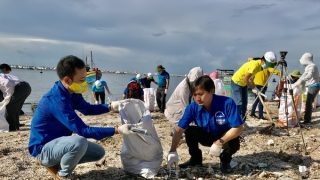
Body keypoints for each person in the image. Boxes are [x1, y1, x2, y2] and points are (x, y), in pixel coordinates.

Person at [28, 55, 133, 179]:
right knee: (79, 142)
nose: (85, 83)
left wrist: (110, 106)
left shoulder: (72, 92)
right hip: (43, 148)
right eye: (82, 80)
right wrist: (117, 130)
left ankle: (57, 162)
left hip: (60, 144)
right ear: (67, 80)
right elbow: (83, 130)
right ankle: (62, 174)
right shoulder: (57, 101)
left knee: (98, 152)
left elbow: (87, 109)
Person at [167, 76, 244, 173]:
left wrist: (219, 142)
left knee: (234, 139)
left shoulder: (227, 103)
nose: (197, 98)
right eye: (194, 95)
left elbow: (239, 128)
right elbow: (179, 130)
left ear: (211, 91)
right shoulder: (192, 108)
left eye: (201, 94)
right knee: (190, 131)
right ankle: (195, 159)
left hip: (224, 137)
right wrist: (172, 150)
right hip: (206, 136)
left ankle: (225, 160)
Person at [231, 52, 277, 121]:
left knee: (245, 104)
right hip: (236, 82)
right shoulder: (255, 66)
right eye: (268, 65)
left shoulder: (259, 62)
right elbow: (245, 79)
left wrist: (252, 85)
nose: (267, 66)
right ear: (263, 60)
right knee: (239, 103)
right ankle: (235, 121)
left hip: (244, 84)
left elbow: (249, 59)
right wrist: (254, 88)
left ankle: (242, 121)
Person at [165, 67, 203, 134]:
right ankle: (176, 131)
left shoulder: (191, 85)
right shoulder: (184, 88)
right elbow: (184, 107)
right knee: (187, 124)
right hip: (174, 109)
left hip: (181, 107)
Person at [0, 63, 31, 131]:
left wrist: (8, 96)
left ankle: (12, 127)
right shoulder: (3, 75)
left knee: (9, 106)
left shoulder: (0, 75)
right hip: (26, 87)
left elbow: (7, 83)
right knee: (16, 107)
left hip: (21, 88)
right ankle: (16, 125)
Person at [292, 53, 320, 124]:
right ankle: (307, 118)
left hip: (314, 86)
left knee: (308, 103)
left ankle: (307, 120)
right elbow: (304, 75)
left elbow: (309, 76)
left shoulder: (312, 66)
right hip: (310, 86)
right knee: (308, 102)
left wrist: (300, 81)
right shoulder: (308, 67)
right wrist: (298, 81)